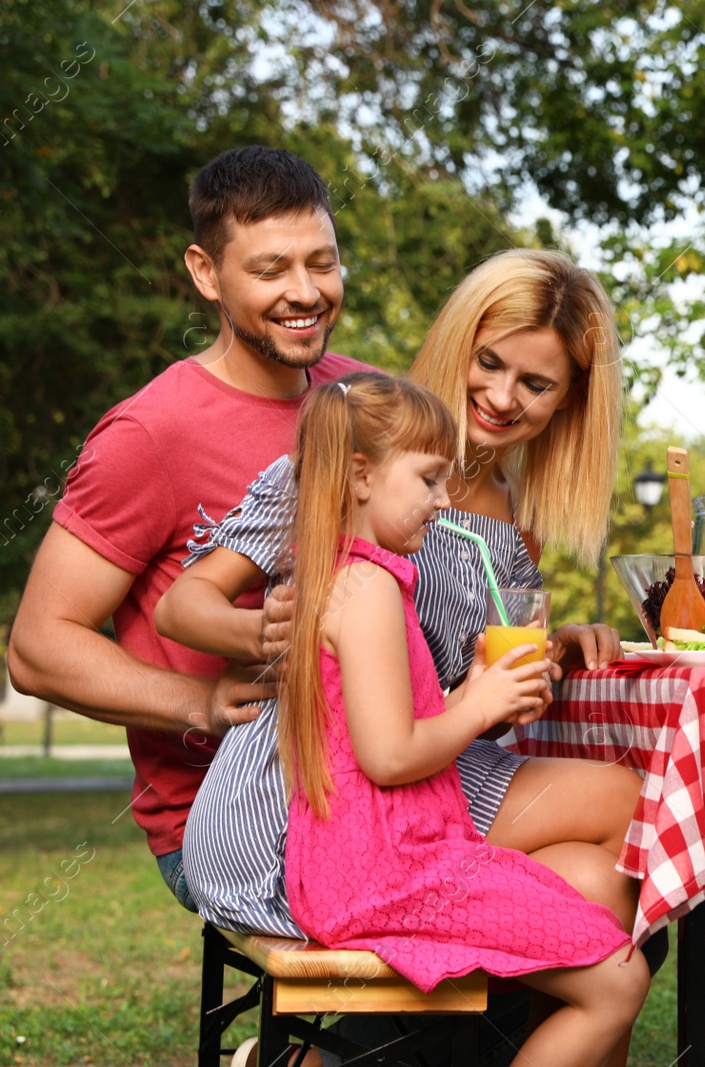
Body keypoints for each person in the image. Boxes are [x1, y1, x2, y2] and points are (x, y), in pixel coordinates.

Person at [157, 249, 648, 1065]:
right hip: (315, 795)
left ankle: (340, 1057)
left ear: (571, 401)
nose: (500, 397)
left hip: (428, 766)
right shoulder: (358, 457)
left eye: (537, 384)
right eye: (489, 363)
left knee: (601, 883)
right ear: (460, 342)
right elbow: (186, 605)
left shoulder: (500, 515)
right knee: (631, 804)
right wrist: (269, 630)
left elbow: (466, 666)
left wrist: (552, 648)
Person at [8, 145, 368, 907]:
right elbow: (39, 647)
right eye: (271, 270)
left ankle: (321, 1037)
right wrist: (199, 703)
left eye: (323, 262)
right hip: (224, 819)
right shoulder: (150, 433)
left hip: (373, 782)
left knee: (586, 876)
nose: (306, 292)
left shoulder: (368, 401)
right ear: (206, 273)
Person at [279, 373, 647, 1067]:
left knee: (594, 915)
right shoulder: (370, 591)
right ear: (361, 476)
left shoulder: (342, 575)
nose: (445, 501)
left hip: (365, 869)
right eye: (428, 479)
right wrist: (478, 707)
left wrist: (471, 691)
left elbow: (384, 731)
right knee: (619, 982)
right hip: (394, 875)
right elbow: (390, 756)